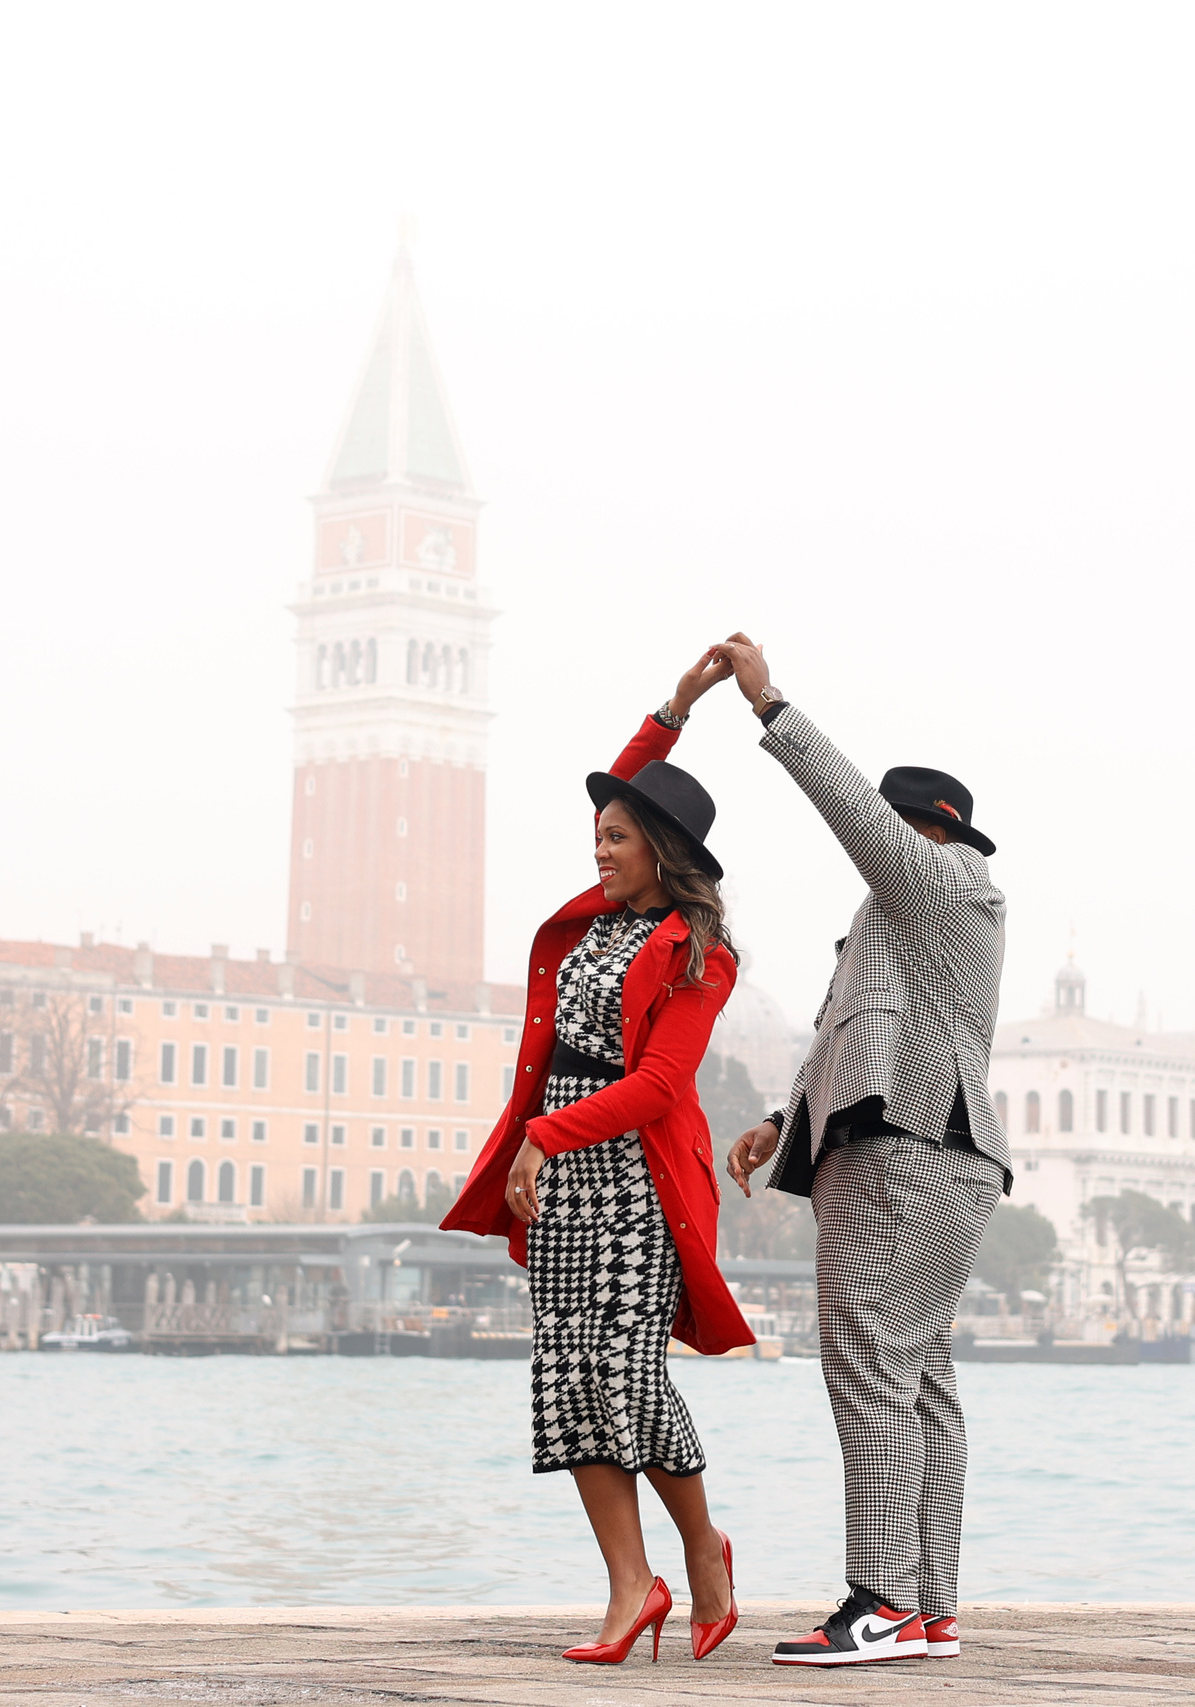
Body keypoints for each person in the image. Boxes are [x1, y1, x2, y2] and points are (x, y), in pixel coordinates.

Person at [442, 650, 756, 1666]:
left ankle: (701, 1556)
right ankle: (633, 1587)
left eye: (616, 839)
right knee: (569, 1381)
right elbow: (627, 780)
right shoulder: (600, 918)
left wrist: (544, 1133)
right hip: (561, 1181)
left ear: (661, 852)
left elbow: (661, 1088)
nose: (599, 851)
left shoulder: (699, 954)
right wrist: (676, 707)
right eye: (595, 837)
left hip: (633, 1188)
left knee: (629, 1381)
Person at [712, 633, 1009, 1668]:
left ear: (923, 829)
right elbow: (851, 1033)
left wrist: (771, 707)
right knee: (920, 1375)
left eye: (895, 827)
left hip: (907, 1152)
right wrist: (775, 1122)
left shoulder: (946, 884)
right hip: (937, 1152)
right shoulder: (898, 921)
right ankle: (928, 1609)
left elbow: (854, 815)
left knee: (867, 1365)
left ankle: (877, 1603)